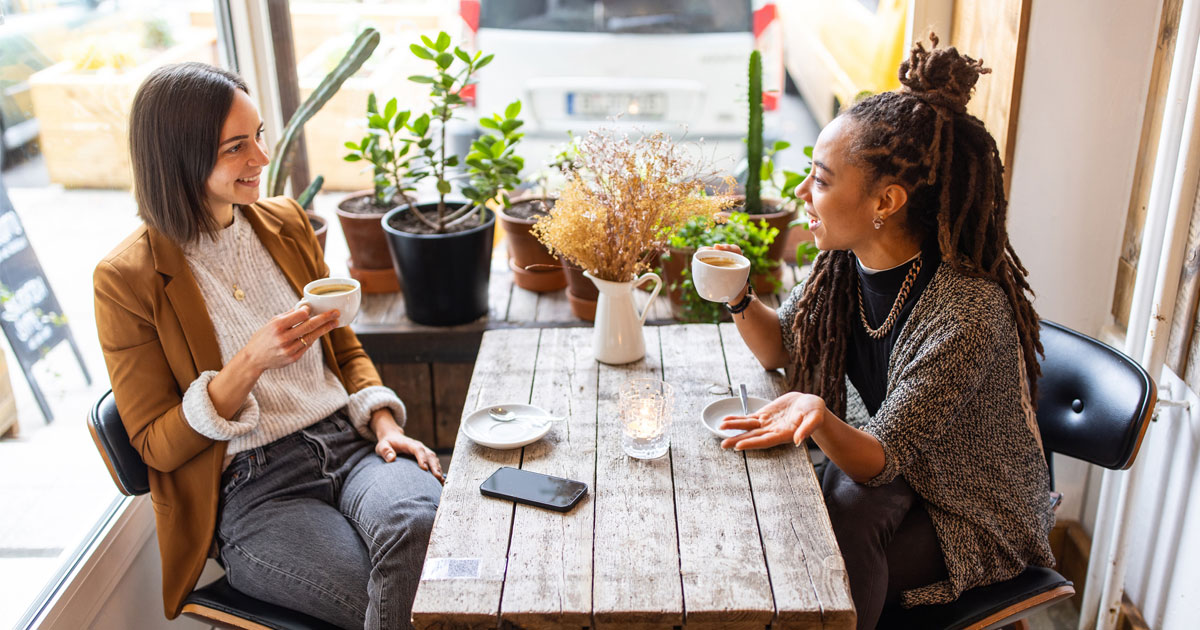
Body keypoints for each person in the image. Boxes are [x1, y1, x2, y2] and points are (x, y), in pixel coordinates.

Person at [715, 37, 1054, 629]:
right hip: (894, 478)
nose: (803, 193)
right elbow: (779, 345)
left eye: (820, 180)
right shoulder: (848, 263)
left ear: (886, 201)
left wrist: (819, 414)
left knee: (823, 540)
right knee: (795, 511)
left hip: (968, 509)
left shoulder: (964, 312)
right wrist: (738, 295)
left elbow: (880, 462)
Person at [93, 62, 442, 630]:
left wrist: (384, 422)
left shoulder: (284, 222)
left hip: (353, 446)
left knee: (420, 531)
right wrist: (250, 363)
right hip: (256, 489)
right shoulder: (126, 279)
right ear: (179, 156)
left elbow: (343, 347)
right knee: (419, 598)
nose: (260, 158)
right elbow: (155, 446)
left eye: (258, 136)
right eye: (236, 147)